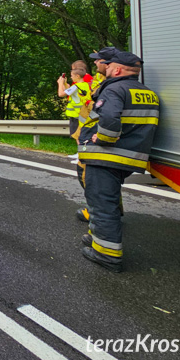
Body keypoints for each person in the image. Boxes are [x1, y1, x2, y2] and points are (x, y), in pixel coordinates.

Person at [77, 51, 159, 272]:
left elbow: (110, 118)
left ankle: (106, 254)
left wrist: (102, 138)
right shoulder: (147, 92)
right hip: (130, 155)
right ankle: (97, 237)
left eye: (109, 65)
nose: (105, 67)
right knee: (104, 200)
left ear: (118, 69)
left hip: (107, 155)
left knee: (102, 203)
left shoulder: (114, 88)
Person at [74, 46, 120, 223]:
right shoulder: (101, 79)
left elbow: (104, 111)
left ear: (109, 63)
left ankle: (97, 211)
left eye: (98, 60)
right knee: (105, 179)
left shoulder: (110, 83)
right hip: (91, 133)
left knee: (89, 174)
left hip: (97, 137)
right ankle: (112, 208)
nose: (95, 62)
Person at [58, 62, 92, 144]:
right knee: (82, 134)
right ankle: (81, 153)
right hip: (83, 113)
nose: (71, 77)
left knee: (77, 136)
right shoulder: (85, 85)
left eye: (72, 76)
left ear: (77, 76)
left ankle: (80, 154)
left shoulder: (76, 86)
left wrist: (60, 83)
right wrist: (65, 84)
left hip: (75, 114)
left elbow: (61, 94)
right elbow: (70, 92)